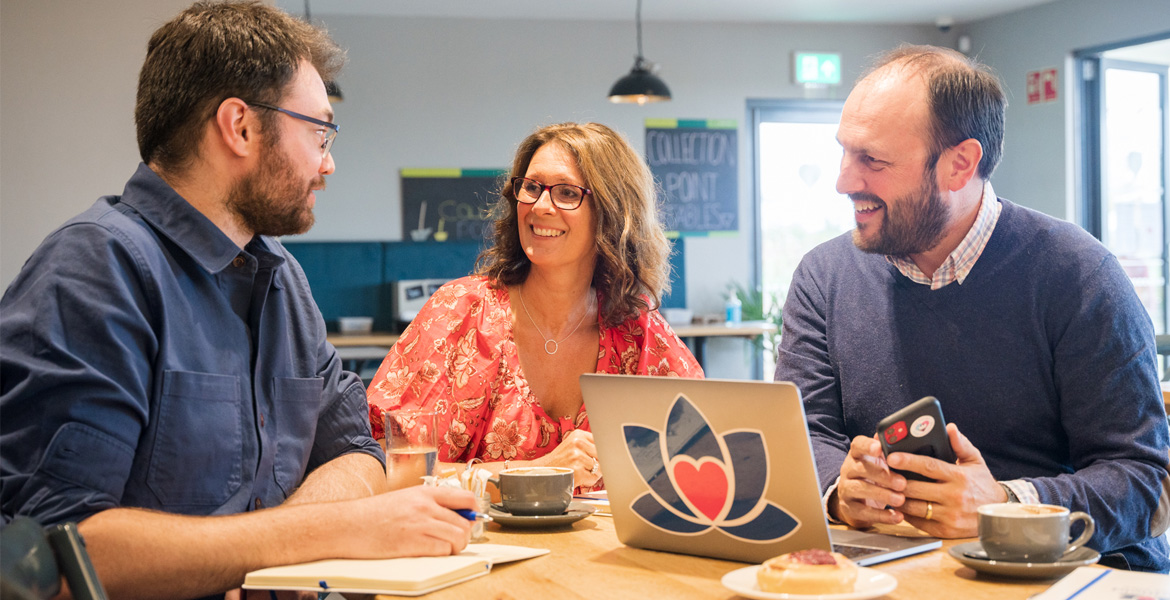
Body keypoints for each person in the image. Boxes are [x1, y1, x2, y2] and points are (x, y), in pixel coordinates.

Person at [0, 2, 474, 598]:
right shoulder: (95, 270)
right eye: (318, 131)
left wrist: (289, 543)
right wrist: (333, 530)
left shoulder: (283, 281)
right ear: (240, 126)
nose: (328, 164)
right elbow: (55, 557)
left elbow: (355, 450)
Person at [774, 45, 1170, 571]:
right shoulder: (823, 277)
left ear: (960, 164)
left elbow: (1146, 481)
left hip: (1069, 576)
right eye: (845, 152)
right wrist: (838, 491)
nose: (845, 180)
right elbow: (804, 434)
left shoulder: (1078, 274)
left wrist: (1004, 506)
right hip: (897, 573)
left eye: (873, 159)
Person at [367, 122, 703, 488]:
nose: (540, 206)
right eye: (531, 188)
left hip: (601, 546)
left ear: (612, 210)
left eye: (566, 192)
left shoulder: (637, 332)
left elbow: (697, 455)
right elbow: (385, 464)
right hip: (476, 544)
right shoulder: (460, 312)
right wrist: (536, 472)